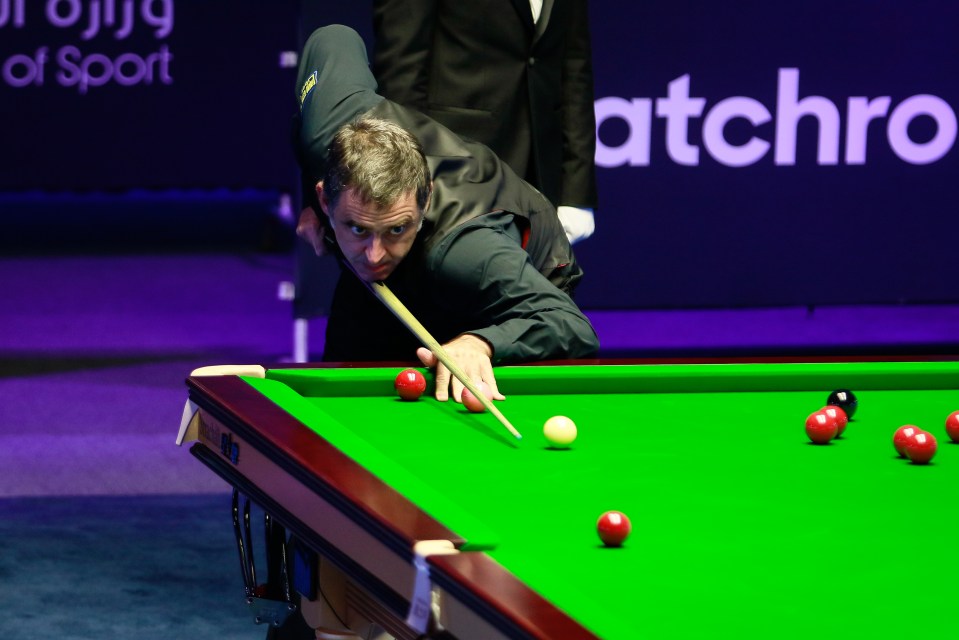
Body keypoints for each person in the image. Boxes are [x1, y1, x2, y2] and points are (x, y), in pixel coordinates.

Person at [294, 25, 598, 405]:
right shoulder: (328, 123)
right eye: (356, 228)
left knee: (459, 381)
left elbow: (572, 327)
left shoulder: (467, 251)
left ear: (425, 200)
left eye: (395, 229)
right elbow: (332, 37)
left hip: (504, 291)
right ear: (329, 199)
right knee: (344, 380)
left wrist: (481, 341)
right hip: (395, 248)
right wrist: (310, 201)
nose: (373, 255)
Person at [371, 0, 599, 244]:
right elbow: (402, 67)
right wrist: (409, 177)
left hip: (541, 184)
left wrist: (576, 194)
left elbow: (574, 65)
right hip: (452, 172)